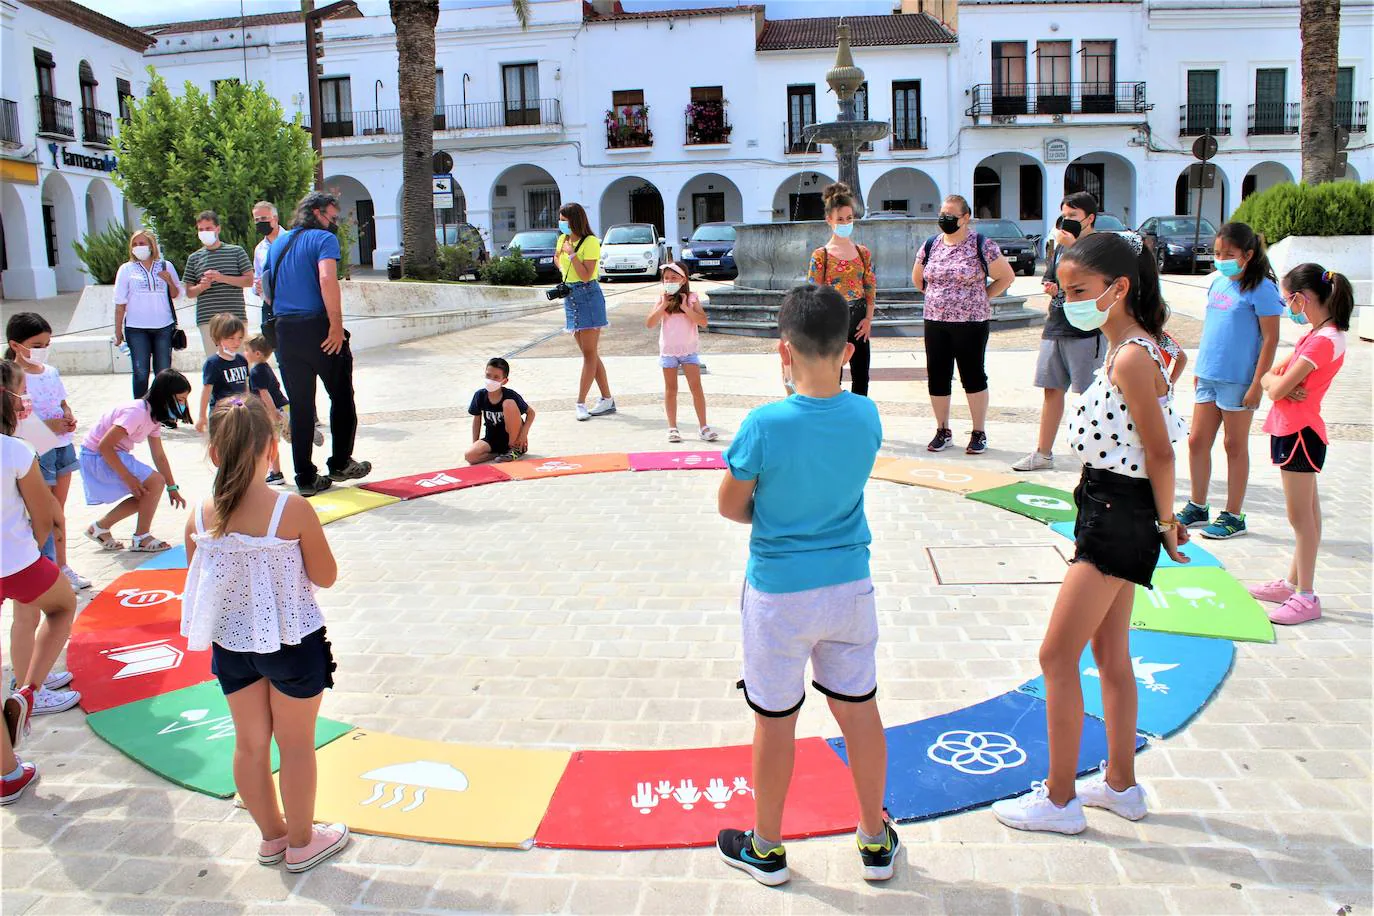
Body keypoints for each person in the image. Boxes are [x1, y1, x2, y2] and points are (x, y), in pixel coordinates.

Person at [992, 233, 1187, 835]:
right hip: (1111, 506)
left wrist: (1165, 523)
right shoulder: (1138, 347)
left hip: (1117, 513)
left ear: (1118, 288)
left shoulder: (1131, 355)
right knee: (1111, 658)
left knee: (1056, 656)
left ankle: (1058, 800)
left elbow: (1159, 451)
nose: (1066, 300)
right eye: (1062, 289)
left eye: (1078, 291)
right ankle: (1121, 786)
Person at [716, 284, 898, 887]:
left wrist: (772, 517)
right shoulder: (866, 415)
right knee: (860, 710)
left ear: (782, 351)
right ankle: (875, 839)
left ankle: (767, 848)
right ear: (847, 350)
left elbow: (731, 506)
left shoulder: (764, 425)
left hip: (778, 593)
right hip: (848, 585)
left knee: (774, 719)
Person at [180, 396, 349, 873]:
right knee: (295, 744)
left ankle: (272, 838)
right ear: (271, 449)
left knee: (249, 745)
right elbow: (326, 575)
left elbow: (197, 582)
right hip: (293, 643)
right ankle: (302, 842)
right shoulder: (289, 510)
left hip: (231, 647)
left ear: (214, 452)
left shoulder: (198, 517)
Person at [1250, 265, 1354, 626]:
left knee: (1301, 519)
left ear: (1301, 298)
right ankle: (1294, 581)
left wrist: (1274, 383)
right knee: (1308, 516)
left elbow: (1276, 386)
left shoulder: (1324, 341)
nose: (1285, 306)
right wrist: (1272, 382)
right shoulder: (1317, 335)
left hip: (1300, 433)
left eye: (1286, 299)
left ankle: (1305, 595)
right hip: (1294, 429)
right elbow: (1269, 378)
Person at [1, 359, 80, 801]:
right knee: (63, 605)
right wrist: (30, 550)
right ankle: (29, 689)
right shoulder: (14, 451)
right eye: (20, 395)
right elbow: (46, 514)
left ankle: (7, 773)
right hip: (17, 562)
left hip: (17, 563)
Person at [1175, 221, 1283, 539]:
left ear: (1248, 254)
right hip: (1209, 375)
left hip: (1239, 380)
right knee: (1197, 442)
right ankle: (1197, 505)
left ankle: (1234, 515)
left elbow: (1271, 339)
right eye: (1218, 252)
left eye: (1229, 253)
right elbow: (1213, 328)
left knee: (1234, 445)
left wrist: (1257, 385)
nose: (1221, 258)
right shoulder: (1217, 284)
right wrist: (1199, 369)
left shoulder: (1262, 288)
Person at [261, 191, 370, 497]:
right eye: (332, 217)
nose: (334, 223)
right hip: (318, 328)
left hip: (285, 331)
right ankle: (339, 462)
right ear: (318, 213)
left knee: (301, 405)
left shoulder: (279, 243)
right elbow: (326, 279)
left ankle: (305, 478)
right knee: (342, 396)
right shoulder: (324, 240)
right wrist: (335, 326)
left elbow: (267, 290)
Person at [911, 194, 1015, 453]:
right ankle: (942, 429)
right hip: (935, 320)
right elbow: (918, 279)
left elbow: (1006, 277)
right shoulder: (931, 244)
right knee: (937, 376)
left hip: (971, 322)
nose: (945, 220)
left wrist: (982, 297)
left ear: (966, 218)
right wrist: (939, 298)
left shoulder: (982, 244)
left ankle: (978, 431)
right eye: (942, 215)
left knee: (973, 375)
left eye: (951, 215)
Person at [1013, 193, 1106, 471]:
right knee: (1051, 390)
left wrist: (1075, 247)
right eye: (1064, 215)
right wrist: (1050, 286)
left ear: (1089, 218)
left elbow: (1095, 280)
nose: (1067, 221)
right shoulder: (1061, 245)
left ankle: (1097, 456)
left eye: (1073, 216)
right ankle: (1043, 452)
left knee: (1089, 394)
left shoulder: (1098, 247)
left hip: (1086, 329)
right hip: (1055, 324)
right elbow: (1050, 274)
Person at [5, 313, 89, 593]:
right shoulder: (12, 377)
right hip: (38, 452)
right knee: (44, 511)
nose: (43, 349)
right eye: (37, 344)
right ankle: (47, 568)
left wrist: (67, 415)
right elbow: (19, 418)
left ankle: (62, 566)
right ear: (16, 345)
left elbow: (62, 400)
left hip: (62, 446)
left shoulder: (50, 372)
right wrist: (48, 425)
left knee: (59, 512)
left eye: (47, 343)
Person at [80, 369, 191, 553]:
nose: (183, 405)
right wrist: (128, 478)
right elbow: (104, 446)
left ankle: (100, 528)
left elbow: (159, 455)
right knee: (154, 482)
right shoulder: (136, 412)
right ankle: (142, 537)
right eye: (180, 400)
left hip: (111, 454)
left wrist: (172, 488)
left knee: (147, 492)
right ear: (165, 396)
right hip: (97, 457)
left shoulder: (154, 417)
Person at [254, 201, 325, 451]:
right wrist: (259, 288)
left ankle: (309, 413)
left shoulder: (290, 240)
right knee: (287, 364)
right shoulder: (260, 249)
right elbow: (258, 280)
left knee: (310, 363)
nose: (260, 223)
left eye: (263, 218)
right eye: (255, 219)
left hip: (298, 312)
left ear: (275, 217)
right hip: (273, 312)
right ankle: (298, 412)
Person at [807, 182, 877, 398]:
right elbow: (812, 296)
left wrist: (868, 320)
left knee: (861, 377)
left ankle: (858, 423)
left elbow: (870, 289)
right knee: (831, 377)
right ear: (829, 221)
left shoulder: (862, 252)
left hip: (858, 323)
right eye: (840, 219)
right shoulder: (821, 255)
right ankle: (833, 422)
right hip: (831, 323)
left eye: (849, 218)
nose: (846, 223)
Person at [556, 203, 615, 421]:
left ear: (574, 219)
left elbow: (586, 274)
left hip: (587, 294)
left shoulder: (590, 242)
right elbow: (558, 260)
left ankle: (580, 402)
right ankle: (607, 398)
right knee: (589, 353)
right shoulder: (563, 239)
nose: (560, 223)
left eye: (563, 219)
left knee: (590, 353)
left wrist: (572, 256)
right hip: (570, 296)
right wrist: (563, 260)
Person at [646, 262, 717, 441]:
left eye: (674, 278)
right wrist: (663, 305)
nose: (669, 281)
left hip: (689, 351)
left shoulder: (692, 298)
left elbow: (703, 321)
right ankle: (672, 427)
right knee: (671, 389)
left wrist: (686, 308)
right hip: (668, 351)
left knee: (696, 388)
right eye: (666, 278)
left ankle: (703, 426)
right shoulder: (661, 299)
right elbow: (650, 323)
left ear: (683, 279)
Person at [114, 229, 183, 399]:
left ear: (151, 245)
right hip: (136, 328)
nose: (138, 247)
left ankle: (165, 412)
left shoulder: (166, 266)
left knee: (163, 372)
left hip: (163, 327)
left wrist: (168, 280)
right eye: (135, 244)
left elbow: (176, 294)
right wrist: (117, 332)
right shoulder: (126, 269)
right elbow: (120, 302)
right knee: (140, 372)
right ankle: (139, 412)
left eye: (142, 243)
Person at [183, 210, 253, 356]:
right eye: (201, 229)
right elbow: (189, 292)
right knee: (215, 363)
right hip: (207, 319)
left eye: (208, 228)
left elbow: (249, 280)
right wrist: (201, 286)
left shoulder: (236, 252)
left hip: (235, 317)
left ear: (218, 229)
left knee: (239, 363)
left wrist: (222, 278)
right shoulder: (194, 258)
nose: (204, 232)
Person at [466, 358, 535, 464]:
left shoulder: (511, 395)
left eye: (496, 377)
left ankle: (515, 450)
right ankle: (500, 454)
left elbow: (531, 413)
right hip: (492, 438)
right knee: (470, 456)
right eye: (488, 375)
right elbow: (477, 419)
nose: (491, 380)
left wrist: (523, 435)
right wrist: (475, 444)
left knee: (508, 403)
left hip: (514, 439)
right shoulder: (480, 395)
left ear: (504, 381)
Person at [246, 334, 289, 485]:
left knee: (268, 442)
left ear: (257, 353)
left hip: (275, 410)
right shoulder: (265, 368)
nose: (245, 353)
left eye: (248, 351)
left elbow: (265, 394)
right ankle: (276, 472)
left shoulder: (256, 372)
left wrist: (272, 412)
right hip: (284, 407)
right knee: (273, 441)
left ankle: (275, 473)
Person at [196, 314, 250, 434]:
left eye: (240, 338)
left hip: (240, 411)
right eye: (231, 338)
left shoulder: (242, 360)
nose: (237, 342)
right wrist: (202, 416)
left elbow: (245, 386)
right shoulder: (213, 363)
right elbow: (206, 390)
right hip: (221, 413)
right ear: (218, 338)